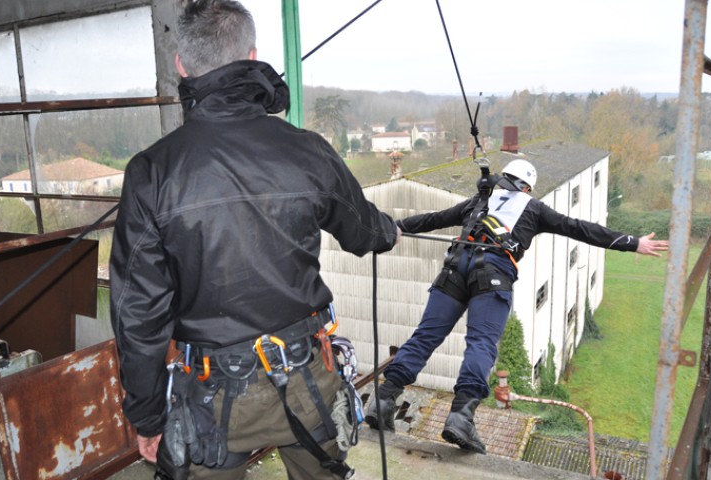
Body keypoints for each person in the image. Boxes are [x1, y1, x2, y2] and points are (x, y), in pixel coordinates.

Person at [110, 1, 399, 478]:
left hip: (210, 400)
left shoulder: (152, 172)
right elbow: (365, 232)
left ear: (181, 66)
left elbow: (138, 313)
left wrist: (146, 416)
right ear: (252, 54)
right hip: (309, 383)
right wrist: (390, 229)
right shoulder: (307, 150)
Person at [364, 158, 669, 454]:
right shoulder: (533, 209)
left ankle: (384, 400)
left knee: (424, 337)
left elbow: (432, 219)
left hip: (453, 270)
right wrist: (633, 242)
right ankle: (460, 417)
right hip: (492, 277)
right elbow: (580, 228)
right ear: (527, 187)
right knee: (481, 343)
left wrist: (393, 228)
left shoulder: (477, 203)